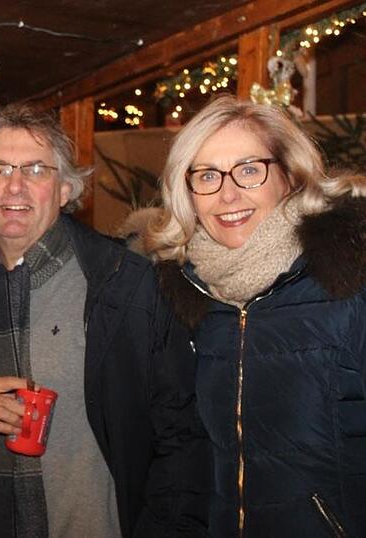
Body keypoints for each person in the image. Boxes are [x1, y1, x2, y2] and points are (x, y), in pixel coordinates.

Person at [0, 102, 209, 537]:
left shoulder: (127, 287)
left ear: (65, 189)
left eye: (35, 170)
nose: (15, 187)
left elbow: (183, 444)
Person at [145, 95, 366, 537]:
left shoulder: (351, 281)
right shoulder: (191, 298)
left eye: (249, 170)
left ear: (290, 175)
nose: (227, 194)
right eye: (207, 175)